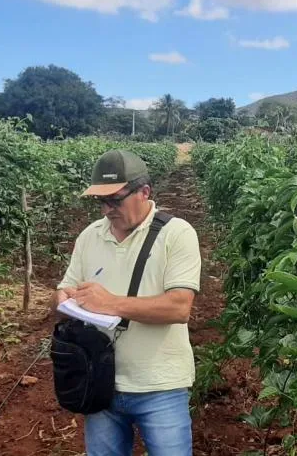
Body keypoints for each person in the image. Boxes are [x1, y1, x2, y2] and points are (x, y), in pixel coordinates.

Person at [54, 149, 201, 456]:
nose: (106, 209)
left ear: (144, 192)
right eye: (100, 201)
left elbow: (179, 307)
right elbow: (65, 288)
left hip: (159, 385)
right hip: (101, 380)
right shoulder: (90, 237)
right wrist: (65, 299)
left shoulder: (177, 234)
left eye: (114, 199)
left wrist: (110, 303)